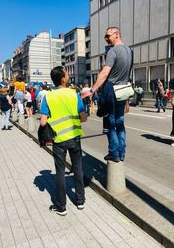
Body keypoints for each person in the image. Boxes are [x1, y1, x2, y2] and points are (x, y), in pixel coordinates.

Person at [40, 66, 87, 216]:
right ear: (63, 79)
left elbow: (42, 122)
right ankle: (80, 201)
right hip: (74, 137)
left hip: (58, 139)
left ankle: (61, 206)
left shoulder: (48, 96)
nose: (68, 75)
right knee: (77, 168)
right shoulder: (74, 94)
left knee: (60, 172)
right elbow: (84, 117)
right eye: (67, 73)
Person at [81, 26, 132, 162]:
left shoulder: (113, 51)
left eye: (108, 36)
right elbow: (127, 76)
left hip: (111, 90)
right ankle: (121, 153)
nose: (106, 39)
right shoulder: (129, 51)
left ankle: (114, 153)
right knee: (120, 123)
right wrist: (127, 99)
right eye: (106, 36)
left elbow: (104, 73)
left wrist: (92, 90)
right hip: (123, 90)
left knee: (110, 123)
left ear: (117, 34)